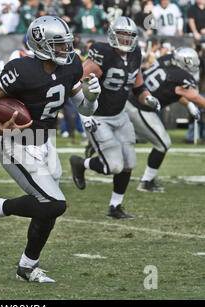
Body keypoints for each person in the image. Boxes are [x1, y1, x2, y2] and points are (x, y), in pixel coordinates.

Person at [0, 16, 101, 282]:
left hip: (45, 142)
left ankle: (26, 267)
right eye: (59, 45)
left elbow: (83, 108)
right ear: (41, 45)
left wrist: (93, 97)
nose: (66, 49)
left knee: (47, 207)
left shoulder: (72, 65)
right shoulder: (22, 70)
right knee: (54, 203)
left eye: (66, 43)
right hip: (16, 145)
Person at [69, 16, 161, 219]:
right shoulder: (103, 52)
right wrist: (85, 116)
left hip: (120, 114)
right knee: (114, 166)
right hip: (98, 117)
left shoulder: (136, 53)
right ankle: (80, 163)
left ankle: (115, 207)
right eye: (123, 35)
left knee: (128, 164)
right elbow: (77, 83)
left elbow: (138, 86)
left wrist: (149, 99)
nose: (127, 40)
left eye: (130, 36)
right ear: (112, 35)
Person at [125, 47, 205, 192]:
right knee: (163, 143)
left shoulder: (166, 60)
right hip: (140, 107)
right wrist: (192, 103)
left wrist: (188, 105)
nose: (193, 68)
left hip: (134, 100)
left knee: (121, 140)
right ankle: (146, 182)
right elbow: (193, 96)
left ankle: (92, 154)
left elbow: (171, 90)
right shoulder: (181, 75)